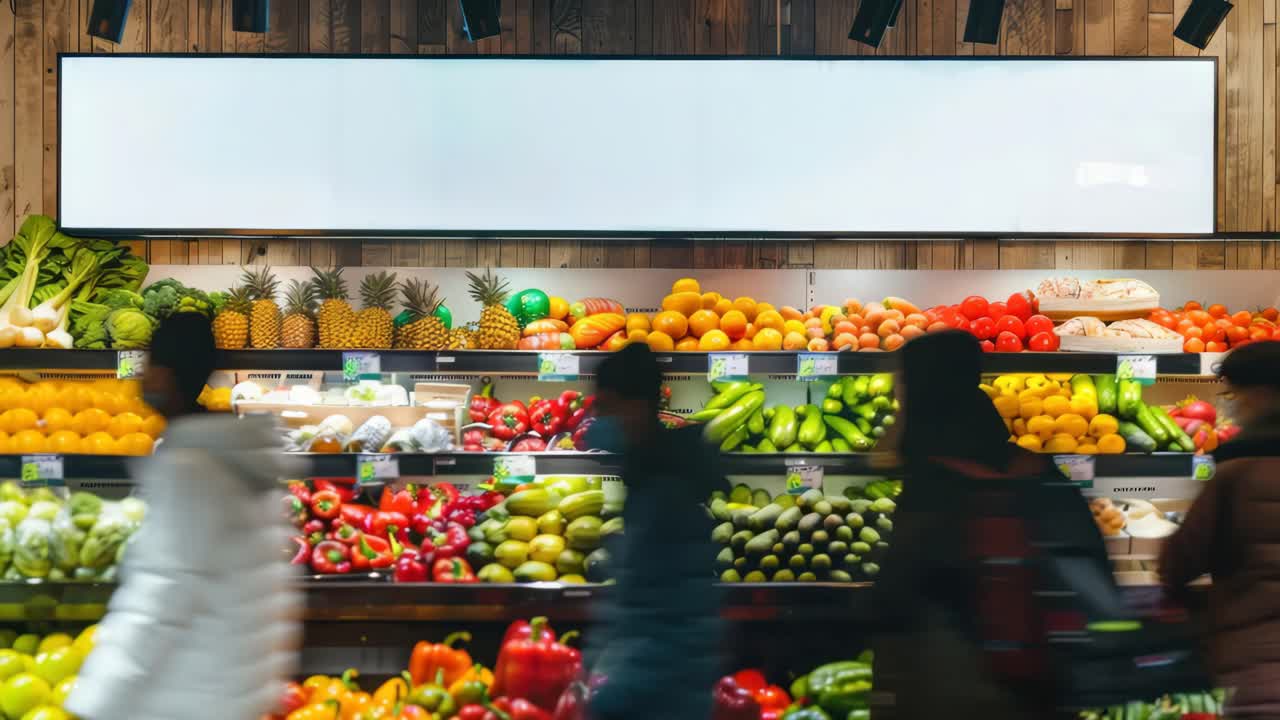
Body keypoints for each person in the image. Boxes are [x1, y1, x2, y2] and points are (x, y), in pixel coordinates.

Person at [66, 313, 301, 720]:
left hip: (189, 694)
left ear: (165, 375)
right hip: (232, 689)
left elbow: (159, 596)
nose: (141, 378)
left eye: (148, 366)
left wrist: (97, 699)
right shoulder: (242, 455)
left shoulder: (190, 467)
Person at [871, 330, 1061, 719]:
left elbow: (897, 597)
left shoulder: (935, 480)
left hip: (955, 686)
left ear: (922, 395)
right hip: (1033, 684)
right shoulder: (1034, 467)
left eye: (902, 387)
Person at [586, 343, 727, 720]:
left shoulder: (663, 490)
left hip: (660, 681)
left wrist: (611, 688)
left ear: (634, 406)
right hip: (669, 676)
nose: (597, 418)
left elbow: (660, 604)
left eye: (605, 405)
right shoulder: (654, 471)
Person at [1160, 340, 1280, 718]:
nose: (1233, 404)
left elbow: (1178, 564)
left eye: (1234, 393)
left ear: (1261, 394)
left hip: (1257, 669)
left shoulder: (1238, 470)